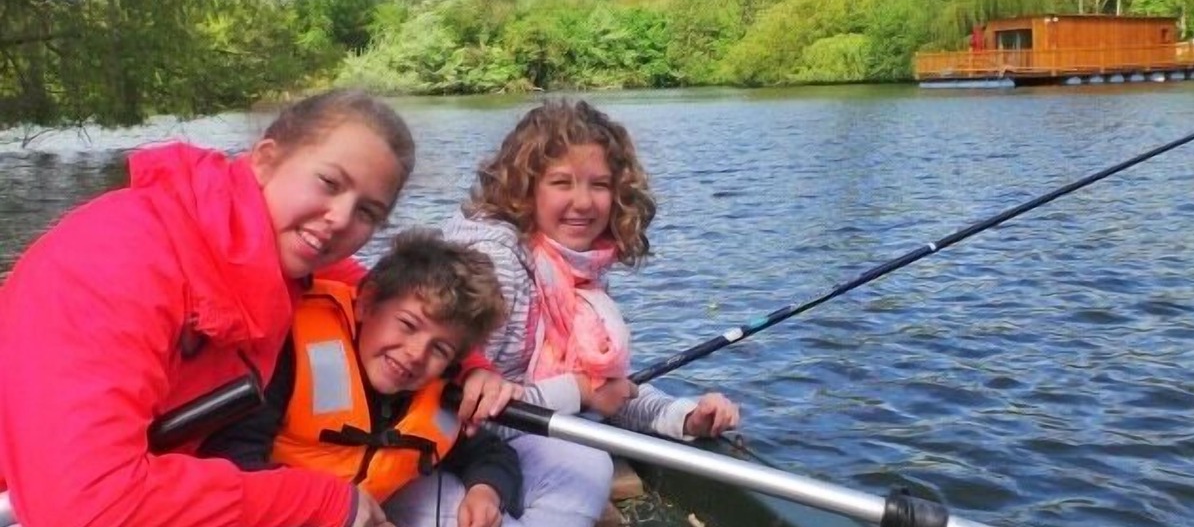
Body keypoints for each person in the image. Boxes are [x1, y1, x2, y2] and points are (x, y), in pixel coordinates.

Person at [0, 89, 415, 527]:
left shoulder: (279, 248)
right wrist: (322, 502)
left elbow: (388, 294)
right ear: (265, 160)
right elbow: (90, 507)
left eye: (368, 213)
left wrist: (470, 365)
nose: (340, 219)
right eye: (329, 183)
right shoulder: (117, 258)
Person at [427, 99, 741, 527]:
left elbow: (607, 389)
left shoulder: (571, 268)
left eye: (599, 185)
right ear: (524, 189)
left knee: (588, 463)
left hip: (510, 444)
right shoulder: (494, 264)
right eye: (561, 182)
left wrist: (684, 417)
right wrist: (579, 392)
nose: (583, 202)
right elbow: (458, 409)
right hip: (440, 452)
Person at [201, 228, 522, 527]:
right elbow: (229, 459)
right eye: (408, 325)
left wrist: (486, 491)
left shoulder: (437, 399)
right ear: (366, 304)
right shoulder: (291, 357)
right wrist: (329, 505)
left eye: (439, 349)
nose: (415, 353)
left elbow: (491, 453)